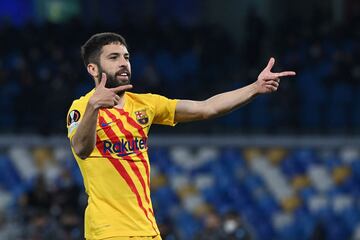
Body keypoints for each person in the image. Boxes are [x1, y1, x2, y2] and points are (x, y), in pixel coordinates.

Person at [66, 32, 295, 240]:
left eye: (126, 57)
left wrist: (255, 87)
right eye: (113, 58)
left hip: (147, 230)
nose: (124, 63)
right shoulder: (82, 108)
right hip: (108, 231)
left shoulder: (146, 104)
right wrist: (94, 107)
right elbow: (81, 148)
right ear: (93, 69)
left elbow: (206, 108)